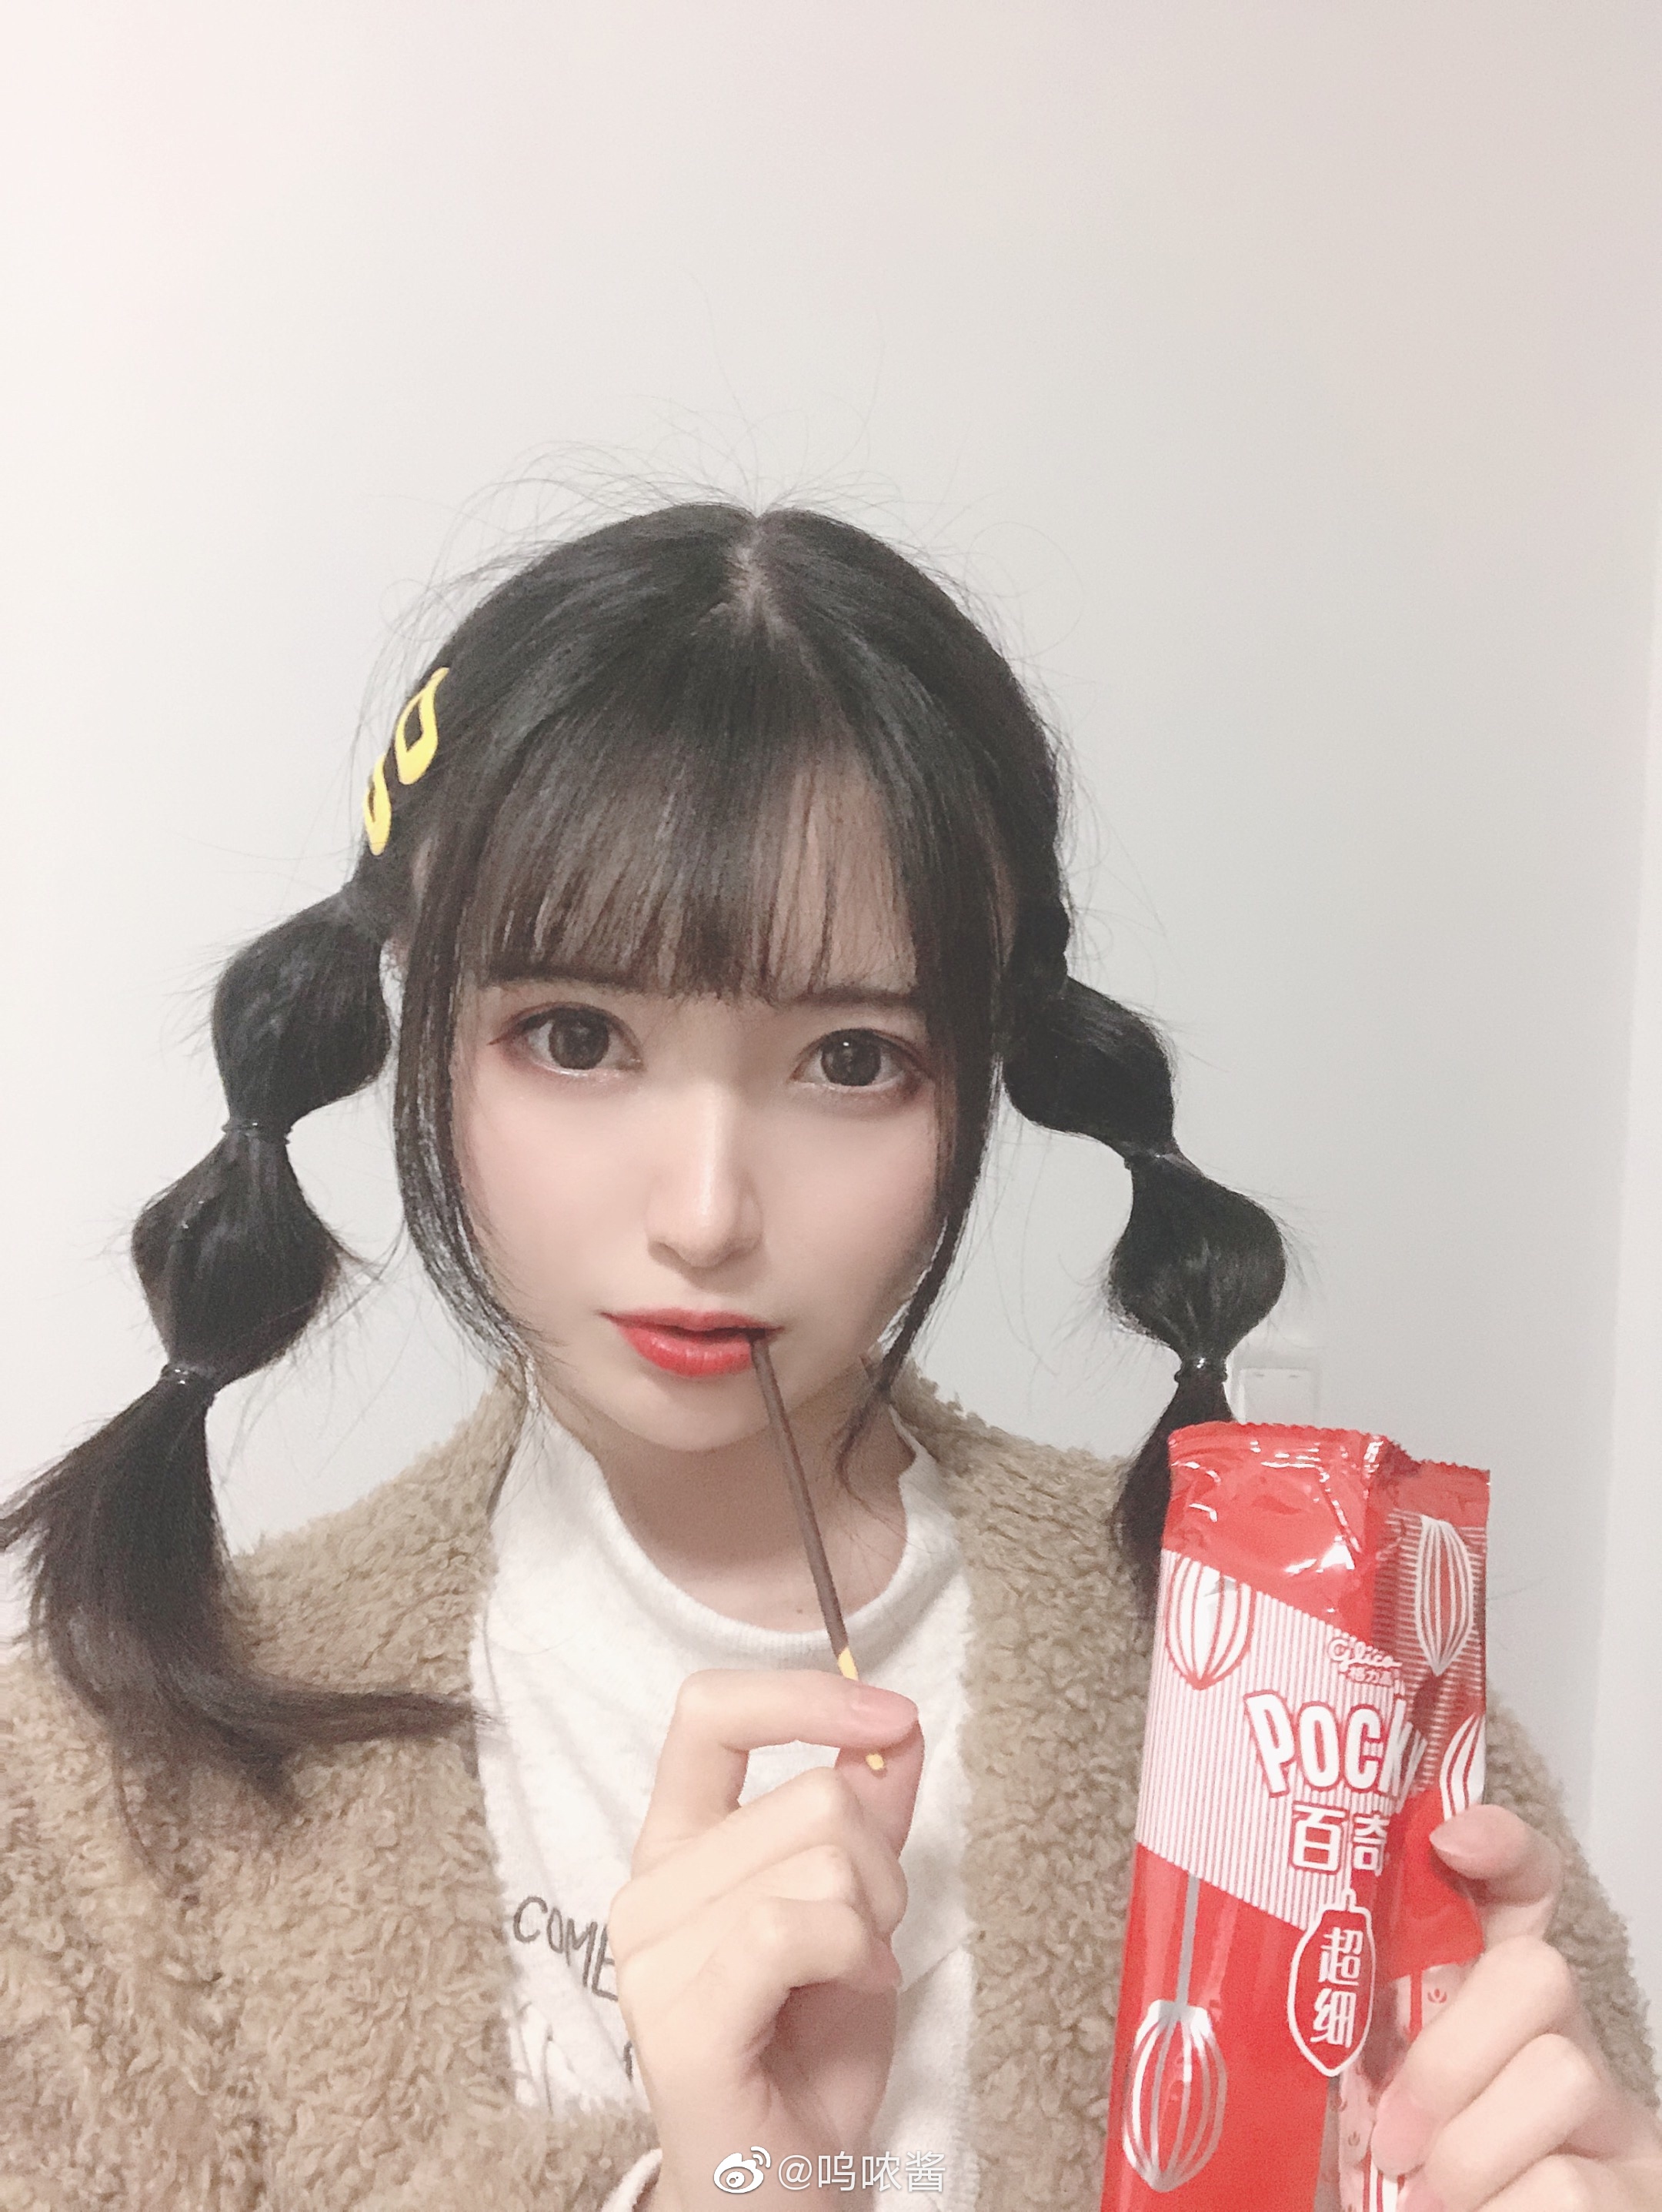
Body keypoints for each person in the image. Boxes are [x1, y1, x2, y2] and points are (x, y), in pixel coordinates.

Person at [0, 503, 1654, 2212]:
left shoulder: (1312, 1702)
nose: (708, 1211)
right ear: (421, 1013)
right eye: (577, 1036)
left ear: (984, 1067)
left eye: (852, 1058)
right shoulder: (111, 1775)